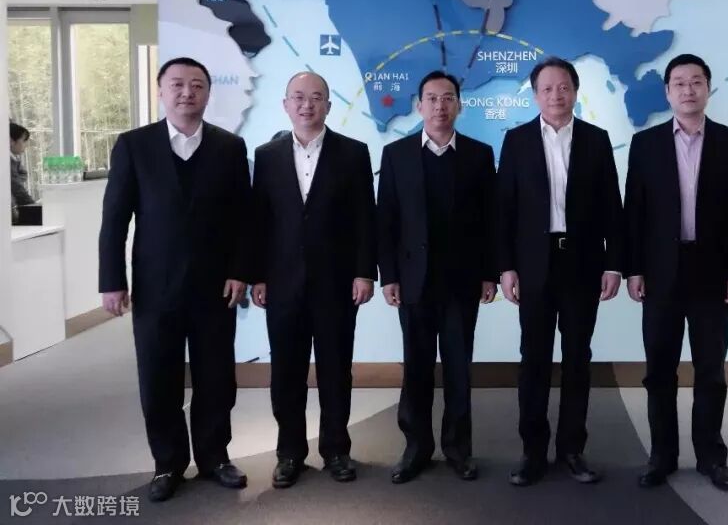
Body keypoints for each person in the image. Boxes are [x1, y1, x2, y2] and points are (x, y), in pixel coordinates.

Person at [98, 57, 251, 502]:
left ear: (208, 92)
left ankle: (215, 457)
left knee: (216, 378)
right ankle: (167, 464)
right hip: (154, 287)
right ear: (161, 90)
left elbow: (244, 218)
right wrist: (111, 280)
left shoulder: (229, 146)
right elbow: (115, 219)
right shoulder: (134, 145)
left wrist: (241, 271)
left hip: (215, 287)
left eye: (197, 85)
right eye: (178, 84)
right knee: (158, 377)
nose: (187, 92)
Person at [624, 54, 728, 491]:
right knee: (659, 370)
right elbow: (634, 211)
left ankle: (712, 457)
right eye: (679, 83)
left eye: (696, 81)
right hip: (660, 271)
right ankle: (661, 456)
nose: (688, 90)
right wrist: (633, 269)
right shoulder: (646, 144)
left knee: (711, 370)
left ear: (708, 88)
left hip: (712, 272)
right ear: (667, 92)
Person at [498, 57, 623, 486]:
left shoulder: (596, 140)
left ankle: (572, 449)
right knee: (533, 359)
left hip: (582, 263)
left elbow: (612, 207)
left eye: (564, 87)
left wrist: (614, 263)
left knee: (577, 359)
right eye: (547, 88)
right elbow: (504, 209)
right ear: (535, 95)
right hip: (533, 264)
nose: (556, 95)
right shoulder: (516, 141)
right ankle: (532, 451)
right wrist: (506, 266)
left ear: (575, 91)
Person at [250, 71, 378, 489]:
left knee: (335, 370)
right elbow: (260, 222)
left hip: (336, 283)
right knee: (286, 372)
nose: (307, 105)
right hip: (282, 283)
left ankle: (337, 450)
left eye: (316, 97)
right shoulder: (267, 156)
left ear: (328, 105)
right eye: (299, 97)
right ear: (286, 104)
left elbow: (365, 217)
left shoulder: (353, 153)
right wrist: (258, 276)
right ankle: (289, 453)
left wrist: (364, 271)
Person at [377, 71, 498, 484]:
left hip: (462, 281)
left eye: (448, 98)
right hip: (414, 281)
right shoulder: (396, 154)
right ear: (418, 106)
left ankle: (458, 450)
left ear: (459, 105)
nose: (440, 106)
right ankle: (416, 449)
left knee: (459, 369)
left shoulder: (479, 155)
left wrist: (489, 274)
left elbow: (490, 221)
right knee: (416, 368)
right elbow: (386, 219)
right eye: (431, 98)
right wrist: (389, 276)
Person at [10, 122, 34, 207]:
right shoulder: (8, 162)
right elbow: (17, 189)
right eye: (24, 141)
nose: (26, 145)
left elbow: (22, 175)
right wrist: (34, 206)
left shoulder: (14, 159)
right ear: (11, 141)